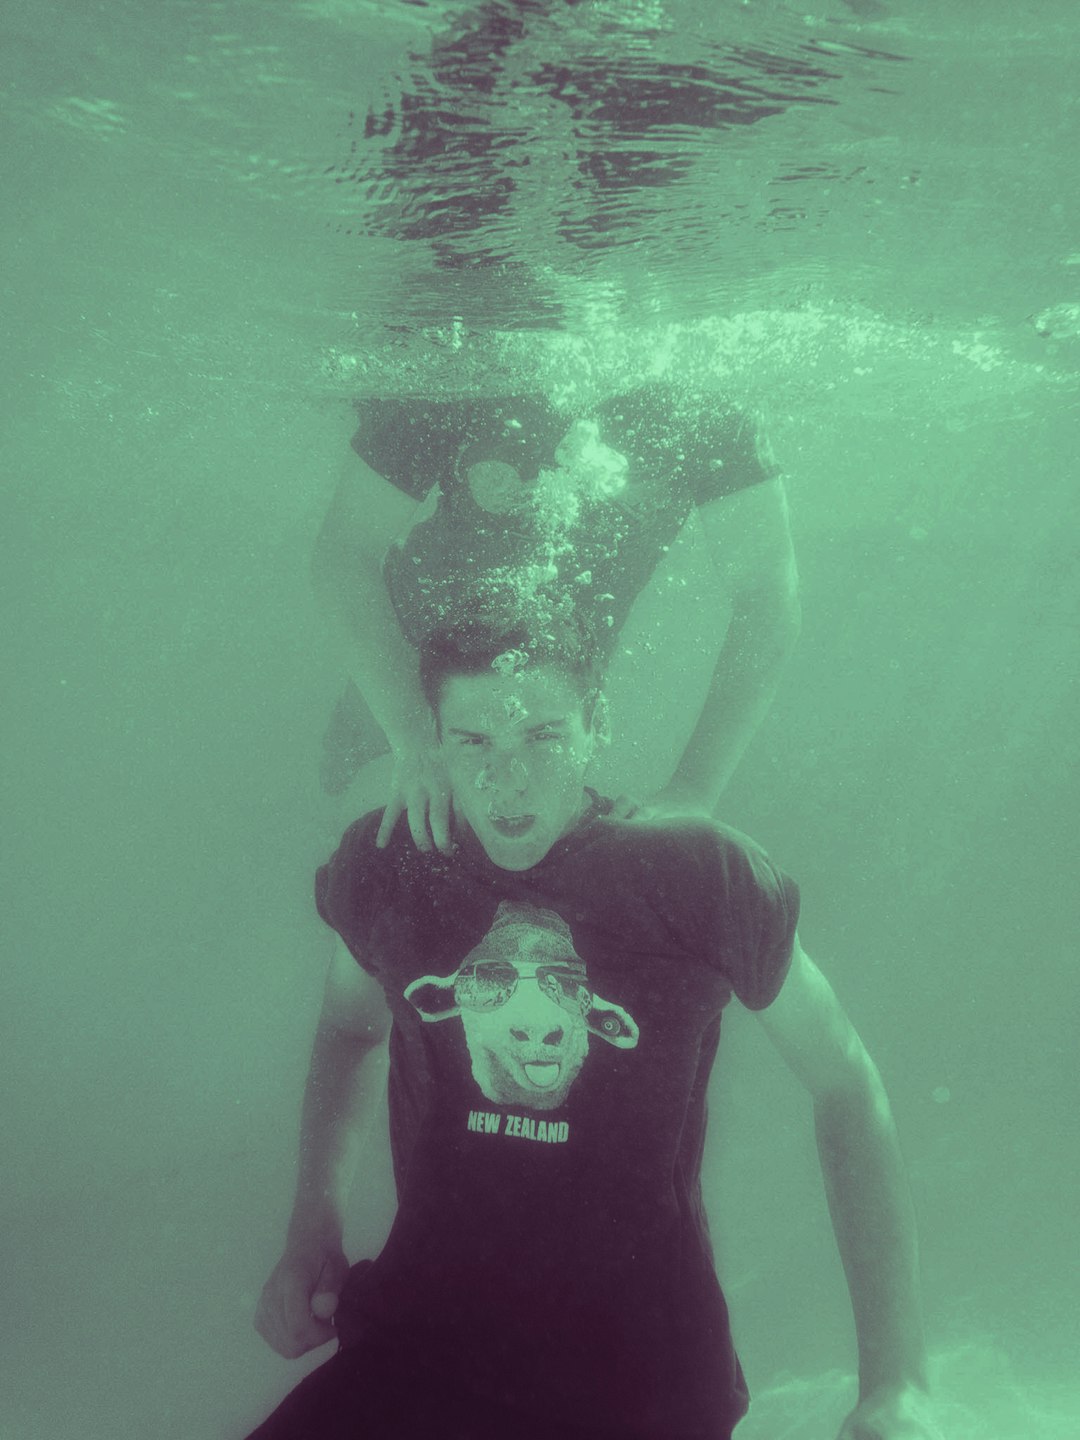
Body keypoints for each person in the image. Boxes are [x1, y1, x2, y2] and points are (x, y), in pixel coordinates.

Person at [249, 616, 939, 1440]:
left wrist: (897, 1382)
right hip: (415, 1348)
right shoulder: (391, 862)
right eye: (472, 741)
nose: (509, 781)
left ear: (594, 725)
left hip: (643, 1388)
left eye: (543, 735)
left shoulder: (699, 876)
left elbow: (843, 1079)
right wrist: (311, 1230)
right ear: (429, 739)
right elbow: (350, 1031)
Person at [313, 382, 800, 849]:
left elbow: (765, 598)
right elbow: (344, 554)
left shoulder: (703, 409)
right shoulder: (465, 364)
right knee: (350, 797)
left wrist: (695, 790)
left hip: (554, 704)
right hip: (400, 666)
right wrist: (412, 734)